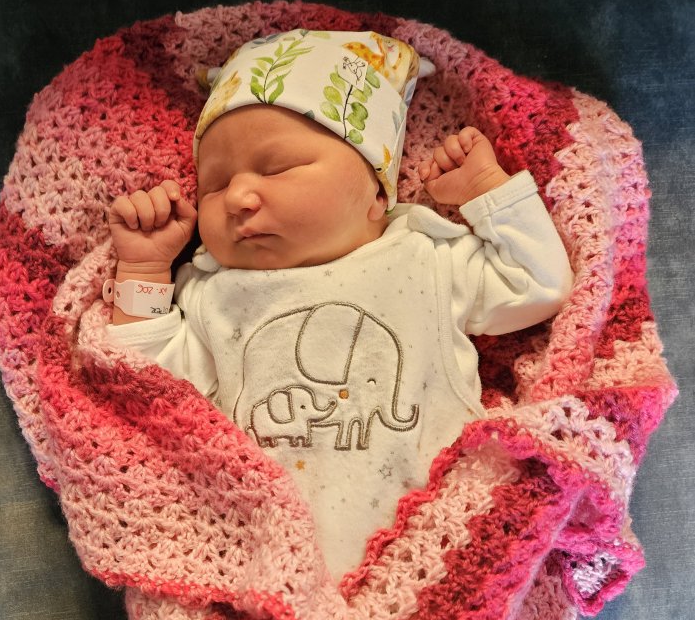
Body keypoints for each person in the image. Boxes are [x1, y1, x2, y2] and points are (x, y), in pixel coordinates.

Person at [102, 29, 573, 580]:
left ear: (377, 193)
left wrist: (487, 190)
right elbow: (147, 385)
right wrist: (144, 269)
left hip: (440, 547)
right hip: (265, 563)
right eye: (214, 185)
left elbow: (539, 285)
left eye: (276, 169)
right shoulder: (214, 294)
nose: (237, 198)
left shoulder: (424, 259)